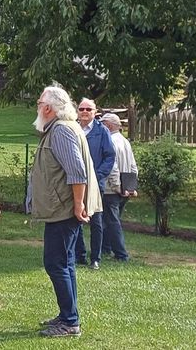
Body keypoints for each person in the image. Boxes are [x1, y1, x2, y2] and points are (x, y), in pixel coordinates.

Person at [28, 86, 103, 337]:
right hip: (63, 207)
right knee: (66, 263)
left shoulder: (61, 130)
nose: (37, 107)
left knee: (55, 263)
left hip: (64, 210)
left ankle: (70, 322)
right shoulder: (63, 128)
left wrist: (78, 205)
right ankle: (67, 315)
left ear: (48, 108)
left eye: (39, 103)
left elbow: (76, 171)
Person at [74, 98, 115, 270]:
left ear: (95, 112)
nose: (84, 112)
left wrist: (97, 176)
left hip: (95, 184)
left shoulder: (102, 131)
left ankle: (95, 258)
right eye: (81, 108)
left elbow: (110, 156)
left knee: (96, 221)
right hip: (75, 181)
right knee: (76, 219)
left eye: (88, 109)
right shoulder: (73, 129)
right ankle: (79, 256)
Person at [100, 113, 137, 261]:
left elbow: (112, 167)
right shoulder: (125, 141)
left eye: (102, 123)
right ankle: (105, 248)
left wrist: (117, 187)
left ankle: (121, 254)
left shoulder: (110, 141)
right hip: (126, 187)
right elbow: (133, 166)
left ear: (108, 125)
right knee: (112, 220)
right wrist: (131, 186)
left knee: (112, 222)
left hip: (112, 189)